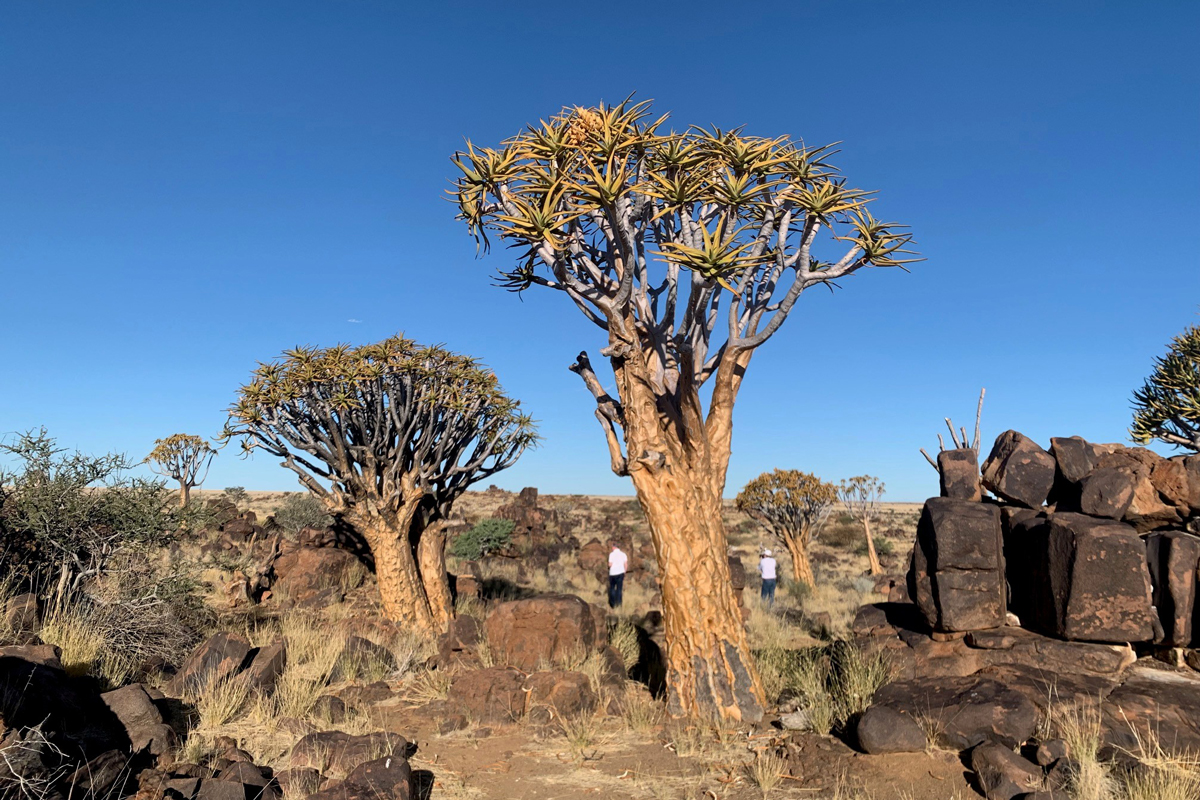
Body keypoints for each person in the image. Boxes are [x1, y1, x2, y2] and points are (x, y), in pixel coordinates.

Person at [607, 540, 628, 609]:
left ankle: (612, 604)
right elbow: (625, 564)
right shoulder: (623, 554)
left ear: (613, 547)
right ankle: (619, 604)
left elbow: (610, 564)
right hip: (620, 573)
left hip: (613, 573)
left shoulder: (611, 554)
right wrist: (624, 572)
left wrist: (608, 566)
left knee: (612, 588)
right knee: (619, 589)